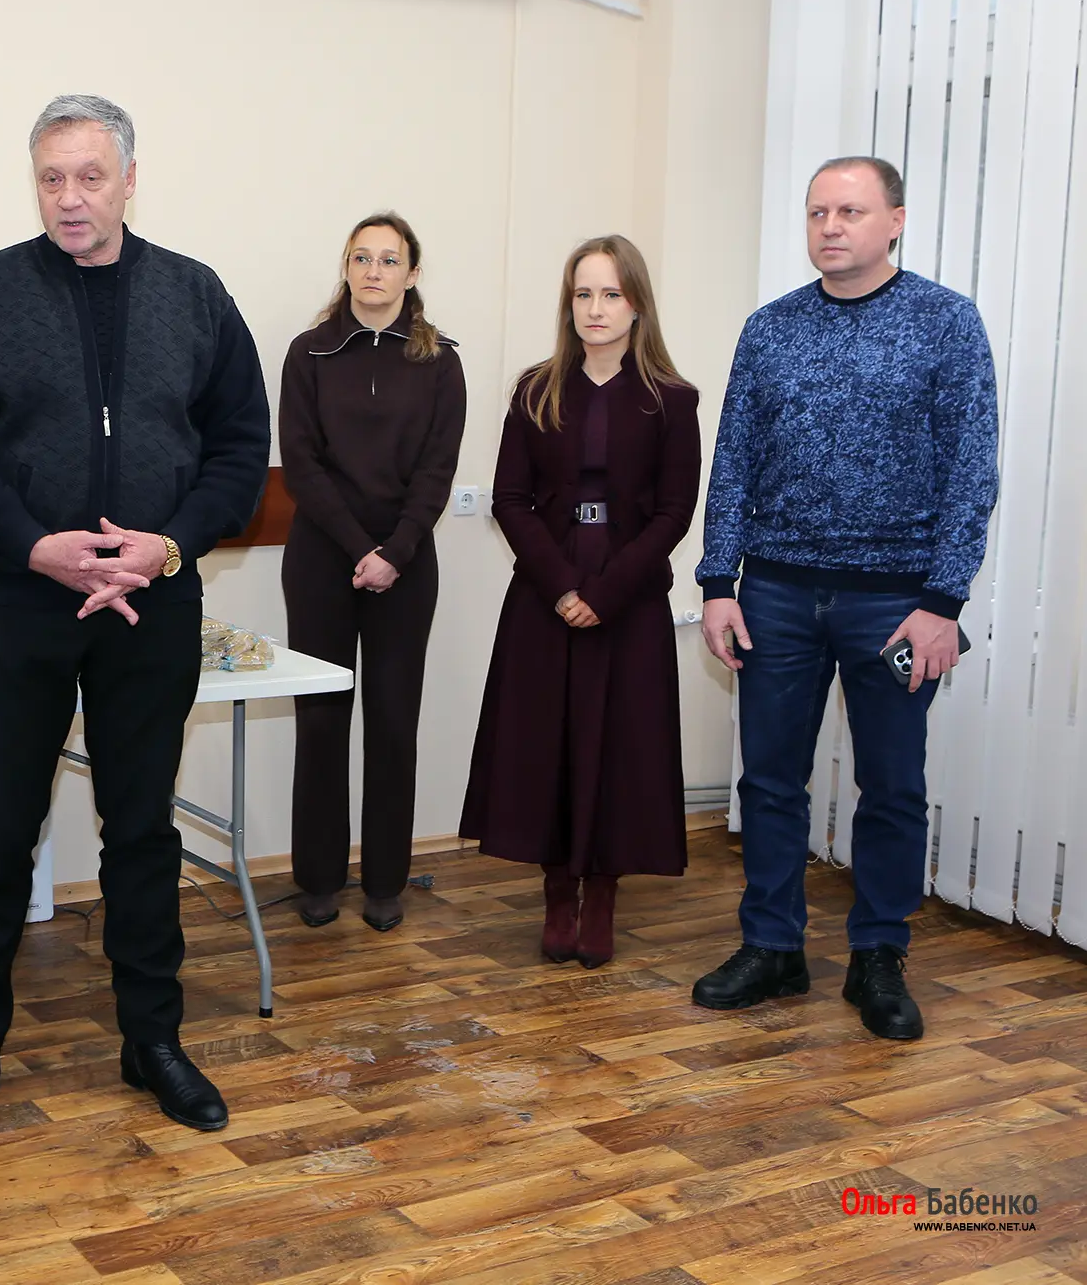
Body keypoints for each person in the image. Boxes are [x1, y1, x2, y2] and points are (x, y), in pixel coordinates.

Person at [0, 95, 270, 1141]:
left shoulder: (196, 295)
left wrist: (166, 546)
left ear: (129, 180)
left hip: (151, 605)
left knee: (141, 829)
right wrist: (34, 545)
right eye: (51, 178)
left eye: (89, 176)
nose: (69, 198)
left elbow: (241, 450)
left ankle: (152, 1039)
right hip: (20, 600)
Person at [693, 156, 998, 1040]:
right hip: (776, 591)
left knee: (892, 785)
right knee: (769, 781)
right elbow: (733, 460)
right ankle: (772, 946)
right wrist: (718, 582)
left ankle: (878, 956)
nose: (830, 226)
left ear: (894, 220)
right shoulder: (770, 329)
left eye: (851, 211)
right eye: (818, 211)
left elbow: (972, 470)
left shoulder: (946, 322)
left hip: (897, 601)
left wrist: (943, 600)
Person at [460, 236, 699, 968]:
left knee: (619, 746)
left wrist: (606, 591)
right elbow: (510, 499)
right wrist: (564, 585)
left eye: (611, 294)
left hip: (629, 595)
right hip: (546, 590)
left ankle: (602, 895)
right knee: (546, 744)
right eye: (583, 293)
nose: (596, 308)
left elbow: (674, 511)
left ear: (638, 305)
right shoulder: (535, 390)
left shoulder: (672, 398)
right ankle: (558, 892)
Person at [279, 213, 466, 933]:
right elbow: (302, 465)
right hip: (320, 561)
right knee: (321, 722)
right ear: (346, 267)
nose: (374, 271)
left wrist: (394, 552)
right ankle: (318, 878)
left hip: (407, 564)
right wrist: (362, 548)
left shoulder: (440, 363)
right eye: (362, 257)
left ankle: (385, 881)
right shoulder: (310, 353)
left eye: (389, 259)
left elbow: (437, 471)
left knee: (392, 723)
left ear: (412, 273)